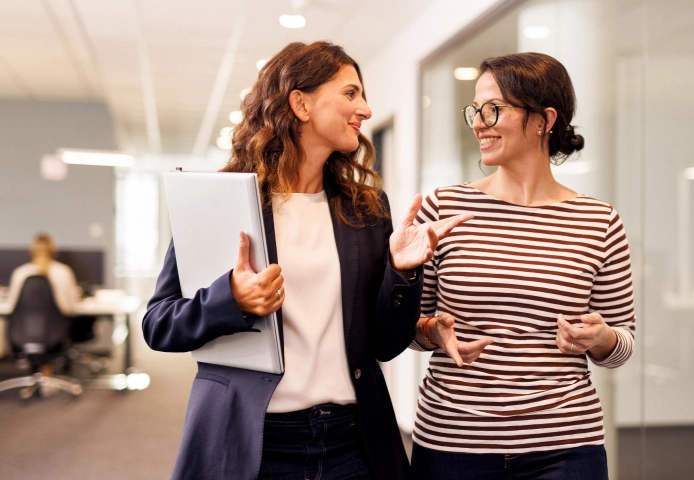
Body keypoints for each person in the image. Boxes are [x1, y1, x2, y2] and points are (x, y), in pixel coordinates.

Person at [143, 41, 472, 480]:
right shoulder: (220, 202)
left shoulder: (366, 209)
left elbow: (385, 345)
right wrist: (231, 299)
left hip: (351, 441)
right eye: (351, 94)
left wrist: (403, 271)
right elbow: (159, 323)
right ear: (300, 103)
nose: (367, 110)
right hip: (252, 440)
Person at [409, 52, 637, 480]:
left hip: (566, 447)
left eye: (493, 108)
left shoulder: (599, 220)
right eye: (474, 109)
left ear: (543, 120)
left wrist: (601, 336)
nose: (478, 122)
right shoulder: (444, 207)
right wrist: (431, 331)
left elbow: (622, 343)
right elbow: (406, 326)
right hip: (454, 442)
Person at [4, 234, 79, 317]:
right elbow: (73, 308)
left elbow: (11, 306)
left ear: (31, 251)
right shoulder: (64, 272)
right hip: (60, 328)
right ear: (54, 251)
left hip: (25, 327)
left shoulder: (20, 273)